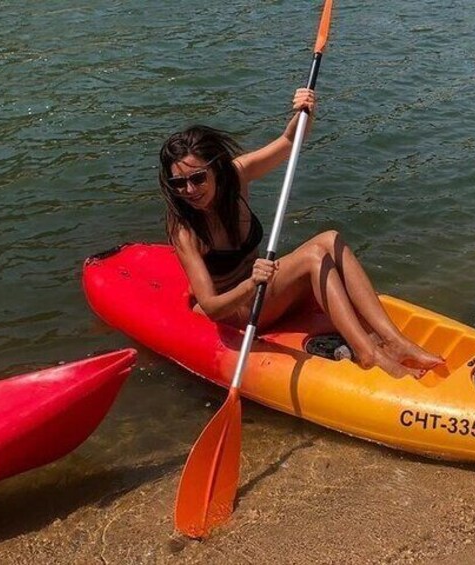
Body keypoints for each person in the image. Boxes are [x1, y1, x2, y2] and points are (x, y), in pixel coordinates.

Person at [158, 88, 442, 379]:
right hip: (241, 313)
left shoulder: (236, 176)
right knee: (313, 257)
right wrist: (251, 284)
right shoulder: (184, 228)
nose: (189, 191)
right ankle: (367, 353)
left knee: (330, 238)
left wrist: (305, 111)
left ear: (216, 169)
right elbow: (212, 307)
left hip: (264, 290)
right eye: (178, 183)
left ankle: (394, 340)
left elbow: (289, 142)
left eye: (197, 178)